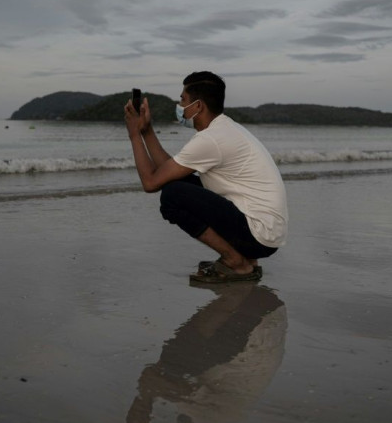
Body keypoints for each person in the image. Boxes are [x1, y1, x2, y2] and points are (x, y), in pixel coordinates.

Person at [123, 71, 288, 283]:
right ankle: (245, 259)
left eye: (182, 99)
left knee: (172, 195)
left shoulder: (212, 139)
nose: (179, 105)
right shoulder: (225, 129)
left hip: (258, 236)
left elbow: (150, 183)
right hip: (265, 234)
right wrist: (146, 131)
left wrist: (133, 134)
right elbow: (167, 171)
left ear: (198, 106)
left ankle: (235, 262)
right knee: (176, 183)